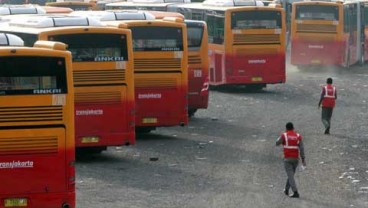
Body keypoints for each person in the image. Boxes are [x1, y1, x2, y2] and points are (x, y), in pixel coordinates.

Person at [276, 122, 306, 198]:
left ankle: (295, 192)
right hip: (296, 159)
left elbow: (277, 143)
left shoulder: (284, 135)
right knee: (291, 175)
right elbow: (302, 148)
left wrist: (281, 135)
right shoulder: (298, 136)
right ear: (293, 128)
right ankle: (286, 189)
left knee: (290, 176)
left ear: (286, 128)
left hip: (287, 159)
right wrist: (303, 159)